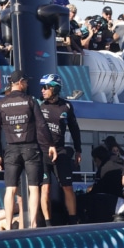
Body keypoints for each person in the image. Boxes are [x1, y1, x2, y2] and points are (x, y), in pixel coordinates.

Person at [0, 70, 57, 230]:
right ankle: (34, 224)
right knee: (34, 187)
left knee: (10, 189)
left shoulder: (1, 103)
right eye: (26, 82)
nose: (27, 84)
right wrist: (51, 144)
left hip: (11, 149)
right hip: (30, 148)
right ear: (20, 82)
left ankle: (8, 225)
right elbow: (42, 125)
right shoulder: (30, 101)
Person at [37, 74, 82, 225]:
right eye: (42, 87)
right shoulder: (39, 105)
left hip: (60, 151)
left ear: (55, 88)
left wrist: (78, 150)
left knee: (67, 187)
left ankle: (73, 221)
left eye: (46, 87)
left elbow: (74, 129)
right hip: (42, 152)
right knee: (45, 189)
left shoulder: (66, 106)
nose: (42, 90)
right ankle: (48, 225)